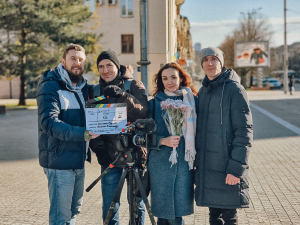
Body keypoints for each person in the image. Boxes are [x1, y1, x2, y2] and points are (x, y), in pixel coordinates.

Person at [36, 43, 99, 225]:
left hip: (78, 160)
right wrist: (84, 134)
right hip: (59, 162)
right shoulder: (51, 86)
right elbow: (49, 123)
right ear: (63, 61)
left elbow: (101, 97)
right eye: (73, 59)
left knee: (73, 212)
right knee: (60, 217)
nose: (77, 63)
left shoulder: (82, 88)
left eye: (81, 60)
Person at [89, 50, 149, 225]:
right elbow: (92, 122)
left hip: (135, 156)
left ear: (117, 66)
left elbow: (142, 110)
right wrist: (98, 149)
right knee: (109, 207)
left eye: (109, 65)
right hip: (109, 158)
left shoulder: (133, 85)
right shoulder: (94, 90)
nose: (105, 70)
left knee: (137, 205)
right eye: (101, 66)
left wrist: (122, 95)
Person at [194, 47, 253, 225]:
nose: (210, 63)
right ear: (202, 65)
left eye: (214, 59)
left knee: (229, 217)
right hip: (208, 168)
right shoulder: (203, 91)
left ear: (221, 63)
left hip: (227, 168)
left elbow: (244, 131)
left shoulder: (235, 90)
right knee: (214, 217)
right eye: (206, 60)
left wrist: (236, 168)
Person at [147, 62, 198, 225]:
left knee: (176, 216)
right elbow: (142, 136)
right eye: (165, 78)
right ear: (160, 81)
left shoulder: (192, 101)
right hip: (160, 166)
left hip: (184, 165)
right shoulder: (154, 104)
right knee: (162, 216)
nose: (170, 81)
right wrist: (162, 140)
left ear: (181, 78)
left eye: (174, 77)